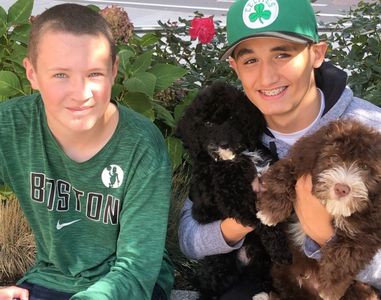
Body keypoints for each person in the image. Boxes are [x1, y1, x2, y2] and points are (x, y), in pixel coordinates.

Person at [178, 0, 381, 298]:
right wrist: (243, 219)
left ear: (316, 54)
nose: (267, 77)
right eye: (250, 61)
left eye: (282, 54)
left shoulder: (370, 131)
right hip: (267, 281)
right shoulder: (230, 130)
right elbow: (189, 237)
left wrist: (325, 236)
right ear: (235, 68)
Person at [0, 3, 173, 300]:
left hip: (129, 285)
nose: (80, 93)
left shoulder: (142, 145)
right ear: (32, 73)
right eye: (60, 75)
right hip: (52, 278)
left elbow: (136, 267)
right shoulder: (11, 126)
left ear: (114, 71)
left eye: (94, 73)